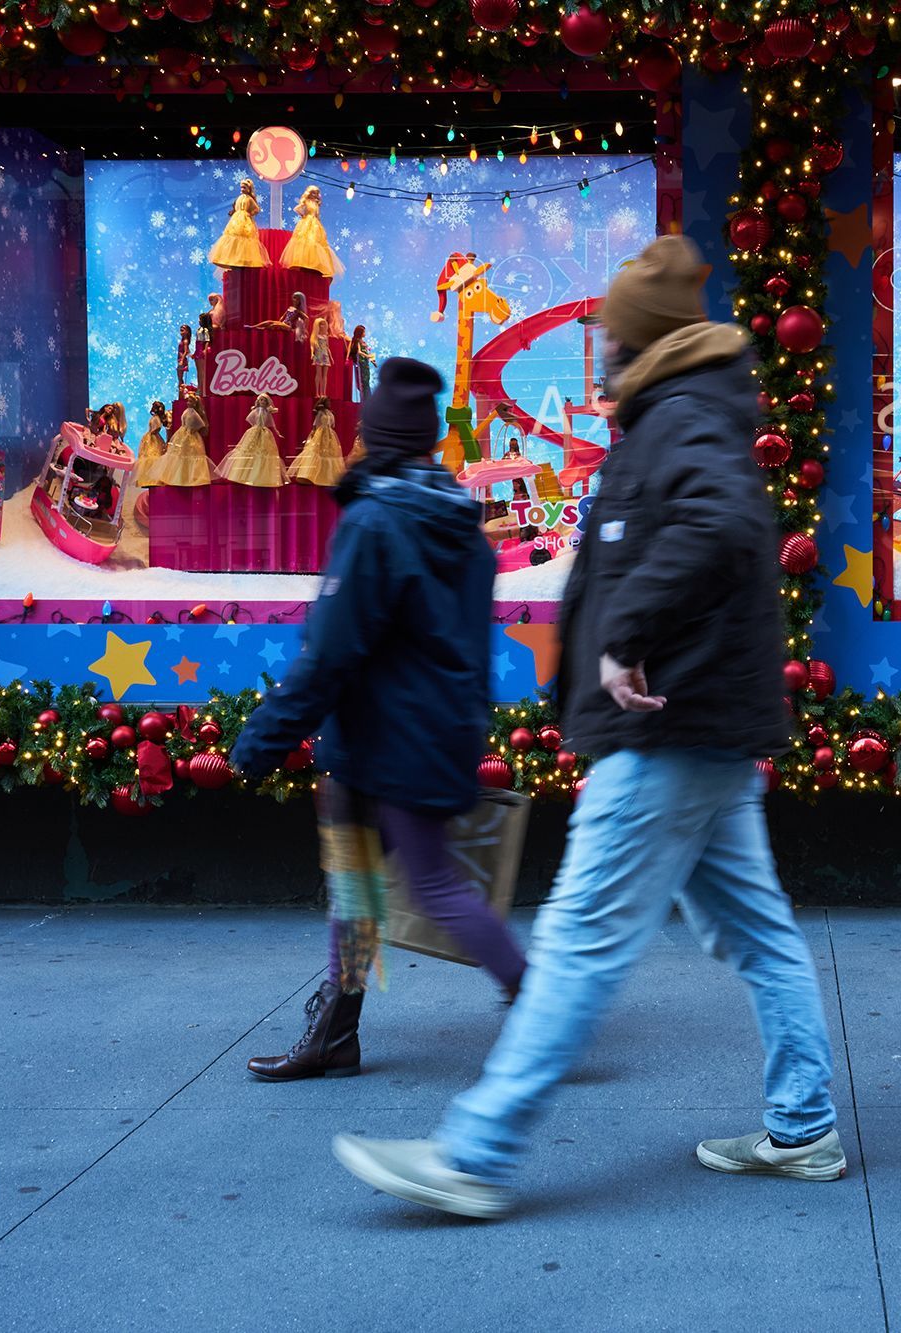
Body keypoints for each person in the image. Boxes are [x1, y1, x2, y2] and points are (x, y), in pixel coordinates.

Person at [330, 234, 839, 1220]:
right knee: (758, 936)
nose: (599, 343)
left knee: (575, 939)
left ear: (640, 335)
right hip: (700, 724)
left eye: (610, 327)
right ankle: (803, 1126)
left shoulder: (680, 414)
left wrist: (625, 638)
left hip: (666, 726)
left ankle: (474, 1155)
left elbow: (719, 527)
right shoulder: (677, 412)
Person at [231, 358, 524, 1080]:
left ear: (375, 435)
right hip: (417, 734)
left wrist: (264, 738)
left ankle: (545, 1008)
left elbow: (330, 649)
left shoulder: (374, 519)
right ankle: (337, 1027)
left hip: (387, 739)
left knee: (434, 889)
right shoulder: (461, 521)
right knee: (358, 889)